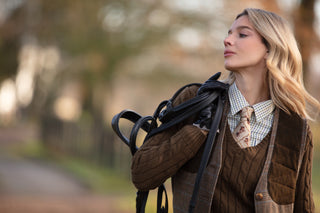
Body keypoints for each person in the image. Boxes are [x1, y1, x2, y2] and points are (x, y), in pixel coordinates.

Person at [131, 8, 319, 213]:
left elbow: (303, 206)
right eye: (229, 33)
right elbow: (142, 174)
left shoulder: (295, 129)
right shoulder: (196, 101)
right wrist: (198, 130)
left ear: (270, 48)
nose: (227, 40)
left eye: (242, 34)